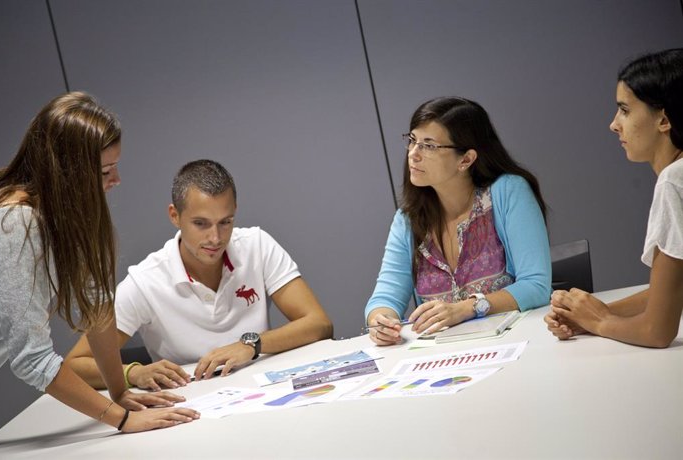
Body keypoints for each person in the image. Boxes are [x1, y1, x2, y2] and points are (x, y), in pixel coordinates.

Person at [0, 92, 199, 433]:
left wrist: (119, 392)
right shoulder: (14, 224)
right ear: (66, 171)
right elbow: (32, 359)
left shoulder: (61, 215)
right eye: (105, 170)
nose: (116, 180)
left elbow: (98, 305)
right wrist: (122, 420)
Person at [67, 159, 333, 390]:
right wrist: (133, 373)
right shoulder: (145, 282)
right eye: (200, 224)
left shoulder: (257, 244)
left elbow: (319, 323)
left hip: (264, 387)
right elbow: (75, 365)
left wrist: (251, 345)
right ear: (175, 216)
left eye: (225, 222)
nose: (215, 238)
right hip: (192, 403)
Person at [365, 96, 551, 345]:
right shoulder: (407, 220)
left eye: (429, 146)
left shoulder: (508, 191)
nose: (413, 154)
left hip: (519, 343)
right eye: (412, 141)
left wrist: (468, 307)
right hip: (448, 359)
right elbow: (384, 299)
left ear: (466, 159)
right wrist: (381, 321)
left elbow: (536, 285)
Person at [546, 49, 683, 348]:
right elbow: (674, 290)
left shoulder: (674, 181)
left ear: (664, 119)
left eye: (625, 109)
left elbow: (657, 332)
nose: (614, 124)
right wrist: (589, 314)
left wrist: (599, 321)